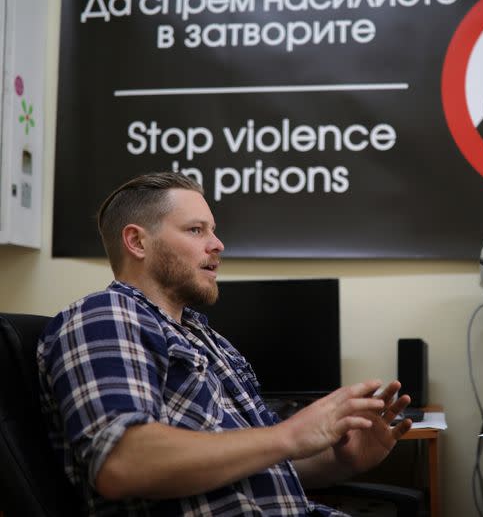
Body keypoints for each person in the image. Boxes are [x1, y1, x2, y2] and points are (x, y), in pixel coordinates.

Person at [37, 171, 413, 516]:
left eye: (213, 230)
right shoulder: (105, 315)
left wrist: (341, 461)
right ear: (137, 241)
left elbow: (265, 462)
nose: (217, 244)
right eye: (196, 230)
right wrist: (290, 433)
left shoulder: (205, 337)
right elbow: (122, 462)